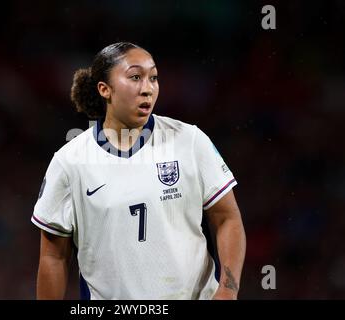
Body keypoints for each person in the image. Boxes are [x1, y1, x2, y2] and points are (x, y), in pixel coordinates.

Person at [31, 42, 246, 300]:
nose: (148, 89)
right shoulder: (70, 161)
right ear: (104, 89)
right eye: (135, 77)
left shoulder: (190, 141)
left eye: (153, 78)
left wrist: (227, 290)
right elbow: (54, 256)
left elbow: (227, 219)